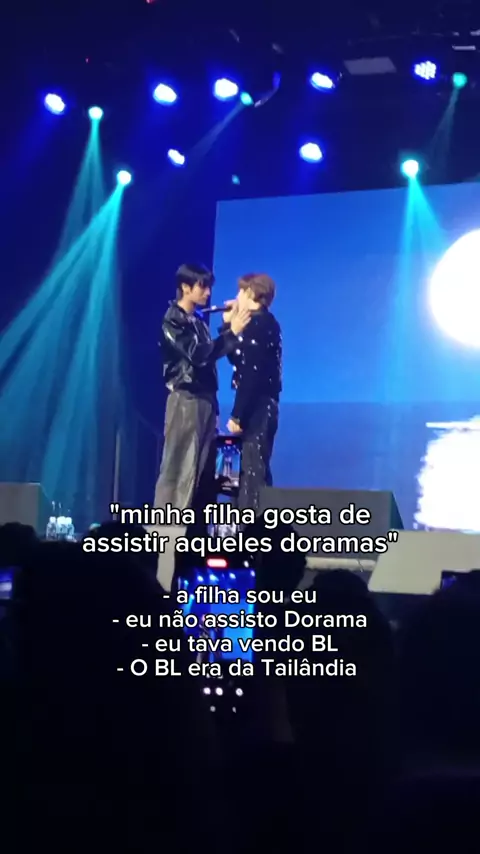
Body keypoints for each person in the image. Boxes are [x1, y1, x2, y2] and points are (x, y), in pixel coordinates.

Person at [154, 262, 251, 514]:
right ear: (185, 287)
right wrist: (232, 333)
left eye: (209, 287)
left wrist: (228, 327)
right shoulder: (173, 320)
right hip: (186, 401)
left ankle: (192, 526)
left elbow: (210, 360)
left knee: (202, 469)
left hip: (205, 401)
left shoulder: (197, 321)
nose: (208, 292)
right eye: (202, 286)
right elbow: (198, 355)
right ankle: (167, 526)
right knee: (179, 466)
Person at [224, 273, 282, 513]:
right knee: (250, 468)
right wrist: (229, 326)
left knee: (251, 470)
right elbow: (236, 358)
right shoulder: (261, 323)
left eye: (240, 291)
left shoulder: (260, 325)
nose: (237, 296)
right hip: (260, 405)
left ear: (251, 293)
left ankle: (250, 526)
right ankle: (248, 522)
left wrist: (237, 415)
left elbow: (251, 373)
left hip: (257, 406)